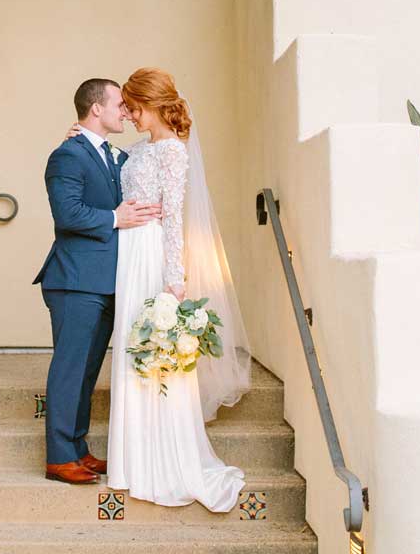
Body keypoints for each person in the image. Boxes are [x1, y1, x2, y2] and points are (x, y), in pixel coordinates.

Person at [105, 68, 249, 511]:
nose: (127, 113)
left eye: (131, 106)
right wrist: (83, 134)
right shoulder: (138, 149)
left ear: (149, 105)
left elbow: (173, 220)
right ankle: (130, 460)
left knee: (155, 353)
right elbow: (113, 161)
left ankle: (162, 458)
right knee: (132, 349)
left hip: (151, 255)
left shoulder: (172, 152)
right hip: (128, 255)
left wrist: (174, 278)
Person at [33, 78, 162, 485]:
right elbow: (67, 214)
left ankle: (78, 449)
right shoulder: (66, 156)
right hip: (74, 281)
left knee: (88, 370)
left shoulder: (113, 156)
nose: (125, 111)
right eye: (119, 104)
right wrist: (114, 219)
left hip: (107, 281)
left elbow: (141, 170)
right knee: (70, 369)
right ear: (96, 109)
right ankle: (58, 458)